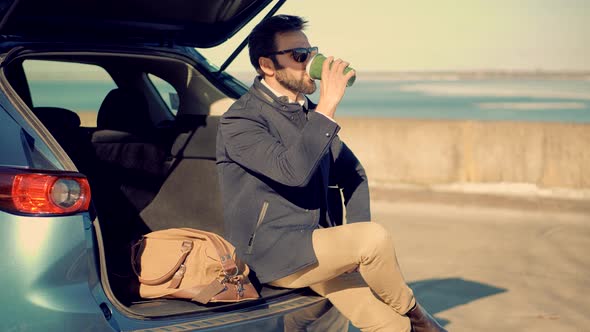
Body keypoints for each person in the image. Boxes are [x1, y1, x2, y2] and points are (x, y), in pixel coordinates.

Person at [216, 14, 447, 332]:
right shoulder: (241, 121)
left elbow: (354, 174)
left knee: (390, 325)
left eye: (310, 52)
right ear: (267, 66)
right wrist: (327, 106)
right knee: (374, 238)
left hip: (313, 248)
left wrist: (351, 247)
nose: (310, 62)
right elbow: (292, 172)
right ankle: (418, 315)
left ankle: (408, 320)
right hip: (269, 253)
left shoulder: (305, 114)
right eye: (299, 56)